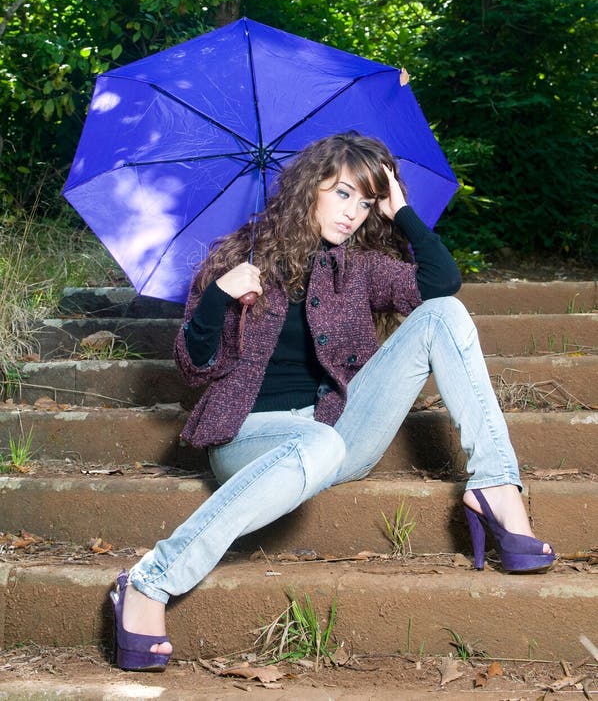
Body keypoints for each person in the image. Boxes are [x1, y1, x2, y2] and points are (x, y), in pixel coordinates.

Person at [111, 120, 555, 672]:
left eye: (366, 203)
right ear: (309, 187)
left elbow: (441, 284)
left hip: (340, 431)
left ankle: (495, 484)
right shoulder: (236, 260)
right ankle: (151, 580)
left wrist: (401, 210)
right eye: (343, 193)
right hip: (250, 436)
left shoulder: (360, 269)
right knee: (318, 445)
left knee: (445, 316)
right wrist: (219, 300)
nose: (353, 212)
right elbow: (196, 366)